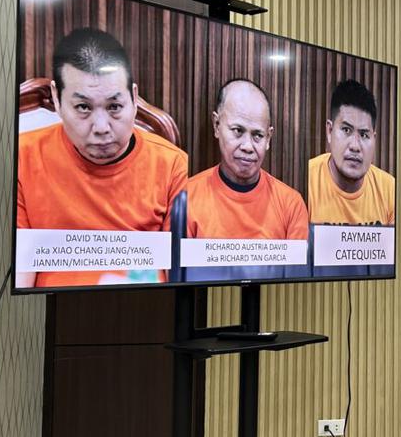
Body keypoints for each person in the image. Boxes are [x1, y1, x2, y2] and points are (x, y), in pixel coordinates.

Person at [16, 27, 188, 289]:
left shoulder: (173, 165)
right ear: (57, 99)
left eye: (114, 107)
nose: (101, 127)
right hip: (50, 310)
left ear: (133, 98)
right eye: (83, 107)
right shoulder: (23, 157)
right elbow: (20, 275)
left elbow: (178, 278)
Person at [185, 78, 308, 241]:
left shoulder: (291, 205)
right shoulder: (187, 199)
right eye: (237, 130)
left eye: (258, 135)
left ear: (268, 138)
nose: (248, 147)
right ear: (217, 125)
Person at [308, 78, 395, 225]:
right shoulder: (307, 182)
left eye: (364, 135)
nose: (355, 146)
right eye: (346, 130)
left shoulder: (390, 190)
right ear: (329, 131)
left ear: (374, 139)